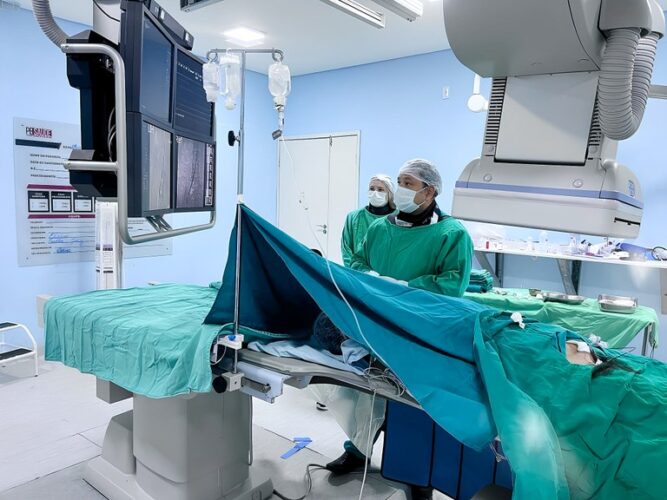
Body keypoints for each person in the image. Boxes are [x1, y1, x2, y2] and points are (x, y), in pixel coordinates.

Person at [326, 159, 474, 500]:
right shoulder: (380, 228)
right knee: (367, 391)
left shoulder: (451, 234)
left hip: (420, 330)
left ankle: (420, 478)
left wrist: (407, 287)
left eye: (409, 183)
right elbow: (358, 262)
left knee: (413, 404)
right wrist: (371, 278)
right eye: (400, 182)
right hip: (377, 324)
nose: (402, 189)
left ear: (429, 191)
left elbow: (453, 283)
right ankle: (357, 450)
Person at [341, 174, 396, 267]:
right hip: (358, 272)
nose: (375, 193)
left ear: (389, 194)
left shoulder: (398, 218)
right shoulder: (354, 217)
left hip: (389, 272)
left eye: (380, 189)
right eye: (372, 188)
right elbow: (346, 249)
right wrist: (355, 271)